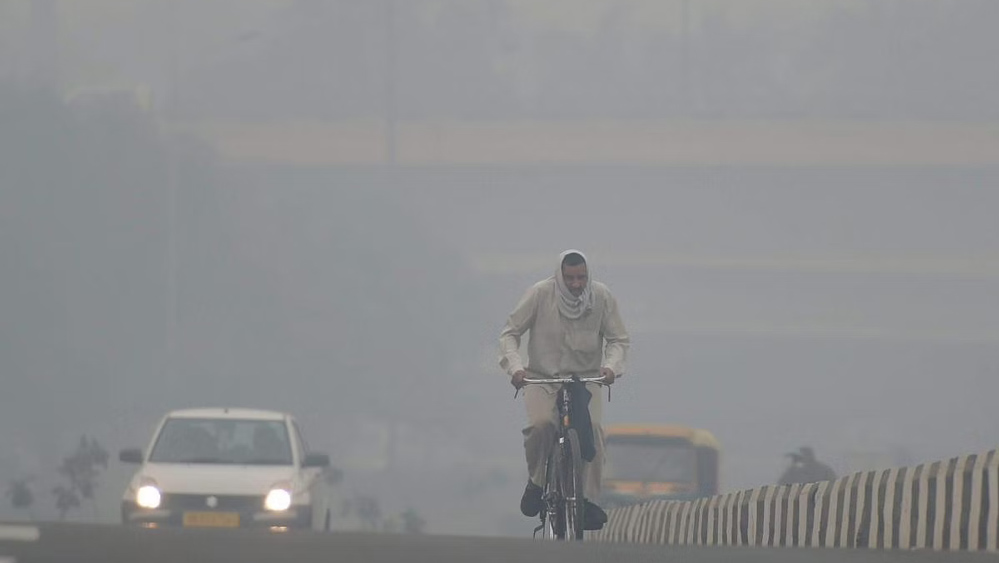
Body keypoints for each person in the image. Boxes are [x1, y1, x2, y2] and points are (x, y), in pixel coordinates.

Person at [499, 249, 630, 530]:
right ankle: (536, 482)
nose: (575, 284)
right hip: (541, 380)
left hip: (585, 381)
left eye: (581, 277)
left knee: (593, 429)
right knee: (542, 425)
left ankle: (589, 500)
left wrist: (611, 367)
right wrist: (515, 368)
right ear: (559, 275)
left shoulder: (601, 297)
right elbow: (510, 333)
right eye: (569, 278)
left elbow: (618, 339)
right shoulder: (539, 295)